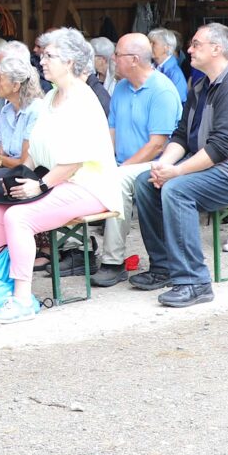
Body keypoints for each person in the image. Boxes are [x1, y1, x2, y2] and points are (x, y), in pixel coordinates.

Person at [0, 28, 123, 324]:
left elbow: (73, 163)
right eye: (42, 55)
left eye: (49, 56)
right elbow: (34, 149)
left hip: (89, 186)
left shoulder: (81, 99)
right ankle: (1, 289)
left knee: (18, 218)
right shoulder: (52, 98)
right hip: (59, 181)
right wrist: (20, 177)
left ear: (70, 62)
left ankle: (22, 300)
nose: (41, 60)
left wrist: (39, 185)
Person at [126, 23, 228, 307]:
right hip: (216, 168)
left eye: (196, 44)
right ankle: (165, 266)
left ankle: (194, 282)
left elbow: (221, 147)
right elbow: (182, 133)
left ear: (216, 49)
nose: (189, 49)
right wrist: (162, 165)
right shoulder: (201, 82)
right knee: (146, 183)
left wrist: (177, 171)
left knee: (177, 190)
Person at [89, 32, 181, 287]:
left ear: (134, 59)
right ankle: (74, 250)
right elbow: (112, 132)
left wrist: (120, 168)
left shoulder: (162, 90)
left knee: (117, 179)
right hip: (123, 164)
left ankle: (113, 262)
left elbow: (157, 144)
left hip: (159, 163)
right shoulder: (120, 87)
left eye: (117, 55)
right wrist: (102, 162)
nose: (113, 59)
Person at [149, 27, 188, 94]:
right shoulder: (153, 67)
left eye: (154, 43)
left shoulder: (174, 73)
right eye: (149, 42)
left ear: (166, 48)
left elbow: (178, 100)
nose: (149, 46)